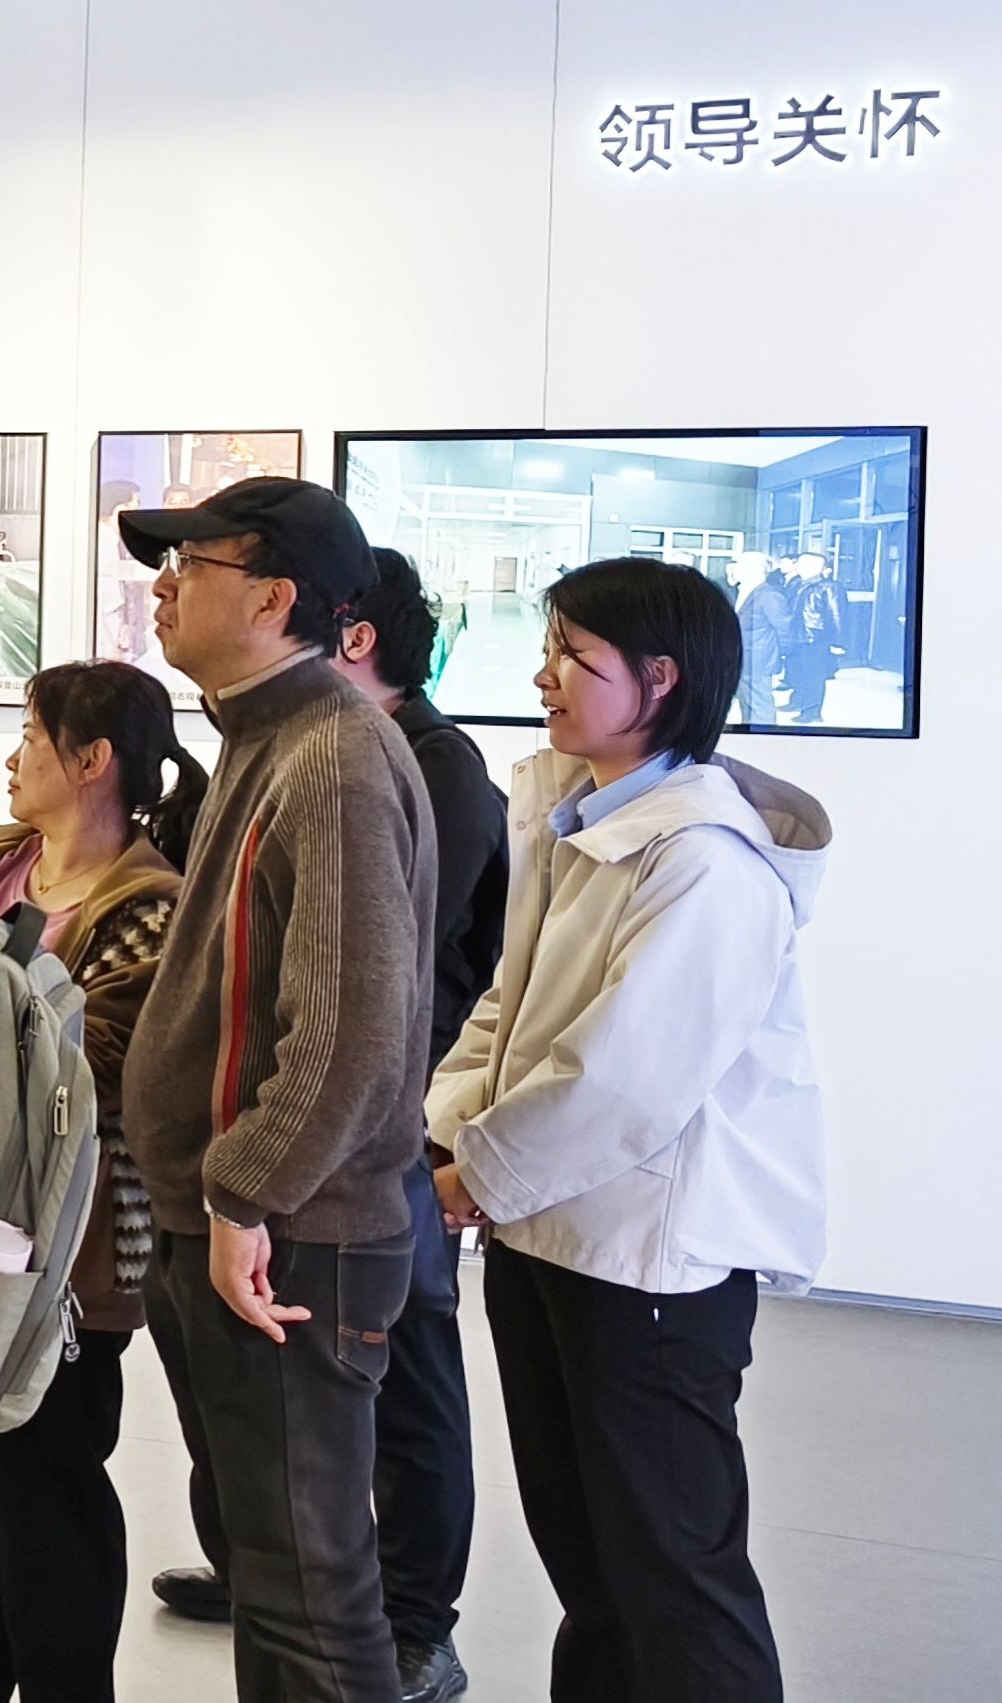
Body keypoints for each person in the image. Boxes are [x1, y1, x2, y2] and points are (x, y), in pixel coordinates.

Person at [428, 559, 829, 1703]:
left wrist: (471, 1175)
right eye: (548, 647)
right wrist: (443, 1131)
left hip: (645, 1263)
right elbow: (507, 1007)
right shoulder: (578, 820)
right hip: (546, 1234)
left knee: (673, 1574)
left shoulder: (704, 862)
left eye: (573, 655)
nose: (542, 675)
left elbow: (623, 1078)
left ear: (660, 679)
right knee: (593, 1569)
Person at [116, 478, 436, 1703]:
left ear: (271, 597)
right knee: (271, 1565)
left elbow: (350, 1029)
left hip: (290, 1237)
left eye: (188, 564)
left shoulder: (332, 756)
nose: (162, 587)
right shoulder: (265, 736)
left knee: (308, 1586)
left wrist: (246, 1189)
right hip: (244, 1225)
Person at [0, 659, 202, 1703]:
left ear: (92, 758)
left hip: (66, 1252)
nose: (13, 757)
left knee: (44, 1488)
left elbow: (87, 1057)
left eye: (31, 734)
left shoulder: (151, 904)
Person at [726, 553, 792, 727]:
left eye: (740, 564)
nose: (735, 568)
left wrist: (782, 655)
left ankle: (764, 736)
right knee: (746, 701)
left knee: (760, 705)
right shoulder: (744, 590)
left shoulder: (769, 595)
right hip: (742, 657)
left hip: (759, 660)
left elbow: (785, 629)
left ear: (757, 569)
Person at [784, 553, 845, 724]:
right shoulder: (798, 584)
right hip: (797, 636)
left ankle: (812, 712)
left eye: (802, 563)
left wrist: (837, 643)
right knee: (796, 671)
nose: (797, 565)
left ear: (814, 566)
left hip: (815, 639)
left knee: (813, 676)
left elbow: (836, 615)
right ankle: (797, 701)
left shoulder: (829, 587)